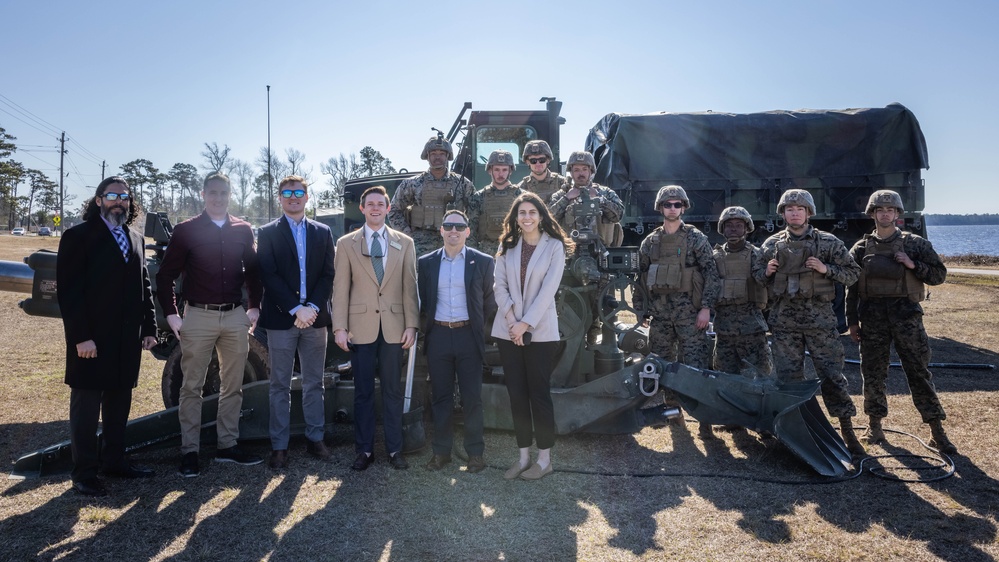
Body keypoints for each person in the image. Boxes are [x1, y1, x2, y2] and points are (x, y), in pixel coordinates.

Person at [157, 172, 264, 477]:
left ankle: (227, 446)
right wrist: (173, 313)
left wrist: (254, 306)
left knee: (233, 385)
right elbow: (165, 276)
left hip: (234, 315)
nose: (218, 198)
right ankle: (189, 451)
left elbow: (254, 273)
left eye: (224, 193)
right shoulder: (186, 230)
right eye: (213, 193)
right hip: (198, 315)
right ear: (203, 194)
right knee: (192, 386)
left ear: (231, 195)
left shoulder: (243, 230)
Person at [56, 176, 158, 496]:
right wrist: (81, 337)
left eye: (124, 197)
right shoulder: (78, 236)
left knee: (118, 404)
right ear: (98, 200)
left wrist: (150, 328)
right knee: (86, 408)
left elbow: (144, 288)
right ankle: (84, 473)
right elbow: (69, 293)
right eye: (112, 195)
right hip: (92, 341)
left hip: (126, 340)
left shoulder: (136, 238)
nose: (119, 201)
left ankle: (114, 461)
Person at [754, 188, 865, 457]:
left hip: (820, 323)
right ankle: (794, 432)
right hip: (784, 323)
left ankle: (848, 432)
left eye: (799, 209)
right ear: (783, 214)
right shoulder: (771, 245)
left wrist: (827, 269)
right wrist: (765, 272)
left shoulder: (828, 243)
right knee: (789, 380)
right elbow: (756, 277)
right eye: (789, 209)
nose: (794, 213)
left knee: (831, 376)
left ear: (808, 213)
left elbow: (853, 274)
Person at [846, 190, 956, 454]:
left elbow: (939, 275)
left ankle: (936, 431)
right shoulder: (860, 248)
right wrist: (852, 322)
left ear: (897, 214)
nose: (885, 214)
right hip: (872, 318)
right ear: (872, 214)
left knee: (918, 372)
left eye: (890, 210)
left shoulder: (915, 244)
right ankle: (875, 425)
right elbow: (850, 288)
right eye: (880, 210)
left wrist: (912, 264)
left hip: (907, 316)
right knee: (872, 373)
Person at [333, 185, 420, 471]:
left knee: (393, 391)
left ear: (388, 208)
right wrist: (340, 328)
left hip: (395, 328)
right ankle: (365, 450)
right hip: (361, 328)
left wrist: (411, 324)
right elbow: (341, 289)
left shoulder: (404, 242)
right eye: (369, 204)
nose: (374, 208)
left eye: (380, 204)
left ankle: (395, 450)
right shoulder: (346, 244)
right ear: (362, 209)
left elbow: (410, 287)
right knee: (363, 392)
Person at [257, 175, 336, 469]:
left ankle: (315, 439)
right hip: (281, 319)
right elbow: (268, 274)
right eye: (287, 192)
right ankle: (279, 446)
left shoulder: (323, 232)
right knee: (279, 384)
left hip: (315, 320)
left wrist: (312, 307)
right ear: (280, 197)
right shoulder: (267, 233)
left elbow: (328, 274)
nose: (293, 197)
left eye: (298, 192)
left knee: (314, 382)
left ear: (306, 197)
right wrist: (295, 309)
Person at [491, 192, 571, 481]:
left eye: (531, 212)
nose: (526, 217)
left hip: (540, 331)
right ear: (515, 217)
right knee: (517, 395)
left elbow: (549, 289)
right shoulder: (507, 244)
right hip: (508, 330)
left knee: (539, 394)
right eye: (521, 213)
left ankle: (544, 459)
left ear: (541, 216)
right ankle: (523, 457)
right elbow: (498, 286)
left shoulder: (554, 246)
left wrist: (525, 325)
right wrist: (512, 321)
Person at [418, 210, 497, 473]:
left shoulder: (483, 262)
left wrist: (479, 332)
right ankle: (441, 453)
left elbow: (489, 302)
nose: (453, 231)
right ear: (440, 230)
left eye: (459, 226)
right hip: (439, 336)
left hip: (468, 337)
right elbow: (422, 302)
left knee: (472, 397)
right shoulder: (426, 263)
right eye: (448, 226)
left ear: (467, 231)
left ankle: (475, 453)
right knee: (440, 398)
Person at [634, 186, 720, 370]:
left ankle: (690, 399)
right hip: (660, 313)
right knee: (660, 363)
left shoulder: (696, 238)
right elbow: (640, 277)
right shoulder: (650, 242)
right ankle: (667, 399)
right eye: (667, 204)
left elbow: (711, 273)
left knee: (694, 364)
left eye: (677, 204)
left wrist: (706, 309)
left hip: (690, 314)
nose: (672, 208)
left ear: (683, 208)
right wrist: (640, 309)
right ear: (661, 208)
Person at [388, 134, 475, 257]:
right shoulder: (413, 183)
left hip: (454, 243)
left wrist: (466, 238)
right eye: (433, 153)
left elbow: (475, 212)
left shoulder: (462, 184)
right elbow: (393, 210)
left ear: (447, 156)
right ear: (427, 156)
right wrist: (408, 235)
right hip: (421, 246)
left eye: (442, 154)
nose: (437, 157)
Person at [711, 206, 772, 379]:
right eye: (729, 225)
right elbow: (707, 287)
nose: (733, 229)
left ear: (746, 228)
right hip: (724, 330)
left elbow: (768, 286)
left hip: (752, 329)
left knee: (760, 377)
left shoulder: (757, 255)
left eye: (739, 225)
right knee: (724, 378)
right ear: (722, 229)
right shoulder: (714, 257)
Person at [548, 151, 624, 248]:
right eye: (576, 170)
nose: (581, 173)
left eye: (584, 169)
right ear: (571, 173)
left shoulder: (605, 192)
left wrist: (600, 198)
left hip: (602, 251)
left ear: (591, 171)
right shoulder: (561, 195)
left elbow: (619, 215)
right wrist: (566, 198)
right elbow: (548, 219)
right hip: (570, 252)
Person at [468, 149, 522, 252]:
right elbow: (471, 230)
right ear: (490, 170)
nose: (500, 174)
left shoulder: (521, 196)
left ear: (510, 171)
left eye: (504, 170)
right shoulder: (478, 197)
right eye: (497, 169)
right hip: (485, 252)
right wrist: (473, 254)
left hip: (514, 249)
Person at [516, 140, 568, 205]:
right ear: (527, 162)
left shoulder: (562, 183)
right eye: (533, 161)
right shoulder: (521, 188)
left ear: (548, 160)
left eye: (542, 160)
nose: (538, 164)